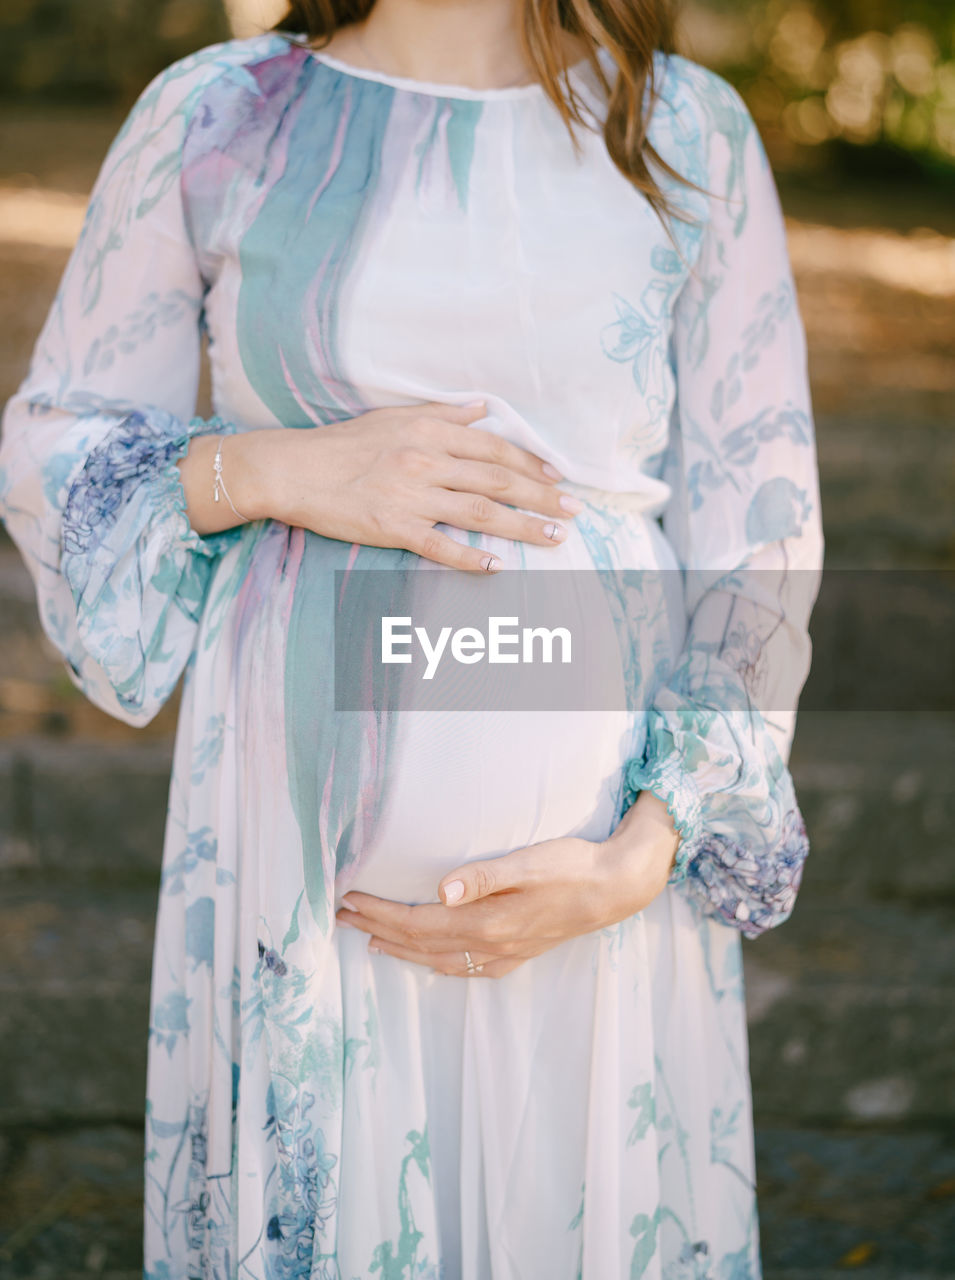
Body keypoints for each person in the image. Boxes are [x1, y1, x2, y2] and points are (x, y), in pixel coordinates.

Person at [0, 0, 824, 1275]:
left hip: (598, 913)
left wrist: (641, 856)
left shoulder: (683, 131)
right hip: (306, 907)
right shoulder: (215, 116)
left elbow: (762, 535)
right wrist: (277, 467)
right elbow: (55, 445)